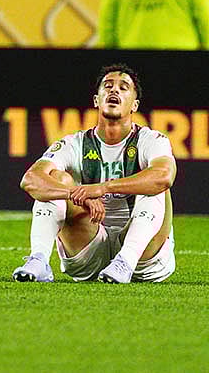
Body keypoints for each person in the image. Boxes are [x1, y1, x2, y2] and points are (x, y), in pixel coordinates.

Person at [12, 64, 176, 284]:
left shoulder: (152, 140)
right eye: (108, 86)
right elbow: (31, 180)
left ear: (134, 105)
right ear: (96, 100)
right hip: (89, 247)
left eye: (123, 87)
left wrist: (103, 188)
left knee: (156, 184)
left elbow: (164, 176)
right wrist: (77, 194)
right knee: (57, 180)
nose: (114, 90)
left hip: (142, 258)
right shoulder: (74, 143)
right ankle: (39, 260)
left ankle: (124, 262)